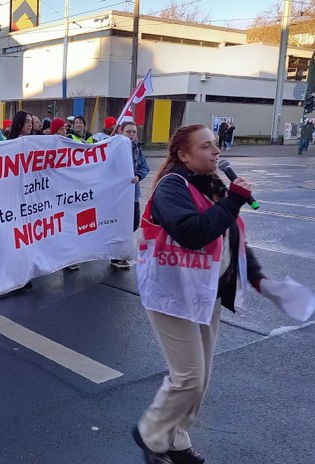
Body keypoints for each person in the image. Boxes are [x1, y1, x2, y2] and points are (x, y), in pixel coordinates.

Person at [133, 124, 265, 464]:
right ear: (184, 155)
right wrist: (233, 200)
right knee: (188, 377)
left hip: (206, 291)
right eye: (206, 146)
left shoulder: (212, 185)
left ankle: (175, 440)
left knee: (200, 379)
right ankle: (150, 432)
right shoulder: (171, 188)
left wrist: (256, 274)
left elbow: (230, 234)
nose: (216, 151)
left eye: (216, 145)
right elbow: (193, 233)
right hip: (173, 290)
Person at [111, 121, 149, 270]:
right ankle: (116, 256)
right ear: (121, 132)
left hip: (133, 194)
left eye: (134, 132)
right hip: (118, 195)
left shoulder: (137, 149)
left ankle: (119, 253)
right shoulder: (114, 148)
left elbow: (144, 167)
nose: (132, 134)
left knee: (133, 224)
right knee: (119, 226)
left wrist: (138, 176)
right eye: (129, 132)